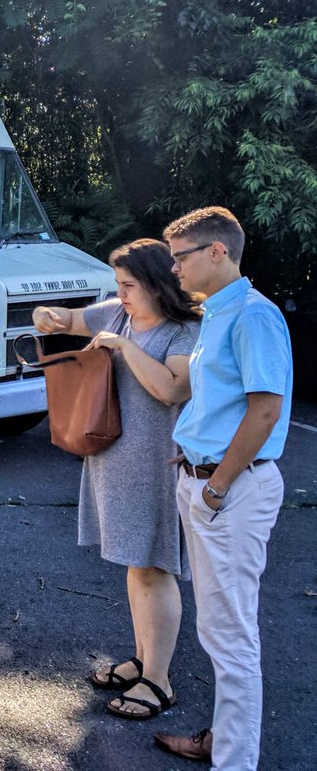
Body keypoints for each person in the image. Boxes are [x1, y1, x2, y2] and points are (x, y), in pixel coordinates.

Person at [33, 238, 200, 720]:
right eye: (117, 286)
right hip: (112, 457)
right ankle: (144, 661)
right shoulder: (116, 313)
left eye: (128, 286)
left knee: (154, 565)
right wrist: (49, 315)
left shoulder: (186, 330)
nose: (120, 294)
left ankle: (159, 681)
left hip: (156, 464)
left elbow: (172, 390)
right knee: (135, 564)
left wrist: (124, 347)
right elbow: (67, 319)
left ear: (155, 284)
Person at [153, 207, 292, 768]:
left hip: (230, 491)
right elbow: (220, 404)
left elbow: (265, 412)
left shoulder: (254, 316)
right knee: (220, 629)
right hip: (207, 483)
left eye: (180, 257)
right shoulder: (217, 313)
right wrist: (190, 455)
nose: (174, 268)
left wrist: (215, 487)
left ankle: (235, 760)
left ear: (217, 252)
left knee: (231, 636)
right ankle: (223, 740)